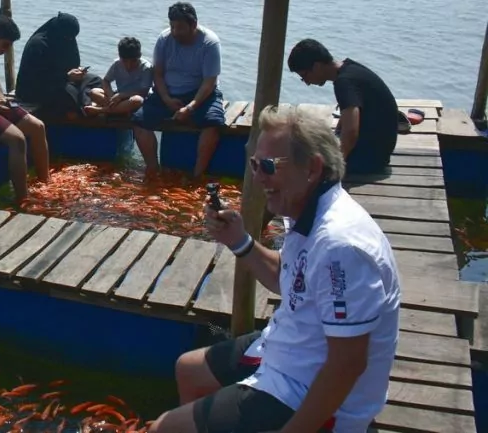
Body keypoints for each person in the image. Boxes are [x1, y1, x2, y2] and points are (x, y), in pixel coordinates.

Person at [149, 105, 400, 433]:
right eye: (254, 164)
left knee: (164, 429)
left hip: (306, 388)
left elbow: (348, 363)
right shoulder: (305, 211)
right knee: (189, 370)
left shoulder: (342, 247)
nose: (257, 177)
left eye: (267, 166)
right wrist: (239, 241)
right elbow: (292, 280)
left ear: (312, 168)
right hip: (290, 349)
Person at [132, 2, 225, 178]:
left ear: (193, 25)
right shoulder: (164, 39)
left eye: (180, 28)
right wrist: (166, 98)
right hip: (168, 91)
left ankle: (198, 174)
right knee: (138, 120)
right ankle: (153, 168)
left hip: (200, 93)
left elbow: (209, 82)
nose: (175, 32)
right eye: (172, 26)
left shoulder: (209, 43)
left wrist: (190, 107)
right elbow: (158, 74)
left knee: (213, 124)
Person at [288, 38, 399, 175]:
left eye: (304, 76)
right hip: (379, 151)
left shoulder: (344, 83)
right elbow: (349, 114)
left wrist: (336, 168)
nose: (306, 82)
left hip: (371, 160)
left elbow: (351, 133)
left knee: (303, 158)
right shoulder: (350, 68)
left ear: (316, 66)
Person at [0, 15, 51, 201]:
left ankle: (46, 182)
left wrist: (2, 100)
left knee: (38, 126)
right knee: (17, 140)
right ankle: (23, 198)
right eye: (5, 45)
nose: (6, 50)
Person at [14, 12, 102, 120]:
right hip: (35, 90)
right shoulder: (38, 45)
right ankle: (86, 107)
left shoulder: (67, 40)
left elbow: (73, 62)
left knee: (94, 79)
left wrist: (77, 71)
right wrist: (66, 77)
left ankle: (87, 104)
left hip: (63, 81)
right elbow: (39, 79)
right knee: (69, 93)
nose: (70, 40)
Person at [85, 36, 153, 116]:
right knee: (94, 92)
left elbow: (143, 92)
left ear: (140, 56)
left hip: (133, 98)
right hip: (118, 97)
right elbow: (106, 81)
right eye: (125, 61)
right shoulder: (117, 64)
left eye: (133, 61)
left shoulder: (146, 68)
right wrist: (111, 96)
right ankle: (118, 109)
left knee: (137, 100)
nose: (129, 65)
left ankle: (102, 110)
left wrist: (122, 95)